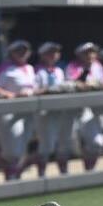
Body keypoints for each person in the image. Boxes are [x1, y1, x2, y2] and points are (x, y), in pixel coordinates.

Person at [0, 40, 37, 180]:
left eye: (25, 51)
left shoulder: (30, 68)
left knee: (21, 150)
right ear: (11, 53)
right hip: (8, 112)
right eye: (18, 51)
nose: (22, 54)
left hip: (27, 110)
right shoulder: (4, 69)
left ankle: (13, 179)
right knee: (12, 152)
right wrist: (15, 95)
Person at [33, 42, 75, 176]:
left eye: (55, 52)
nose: (53, 55)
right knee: (47, 145)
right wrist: (50, 90)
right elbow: (33, 91)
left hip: (61, 110)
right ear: (42, 55)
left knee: (64, 143)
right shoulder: (37, 71)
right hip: (44, 112)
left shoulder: (59, 71)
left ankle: (63, 173)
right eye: (49, 53)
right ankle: (41, 175)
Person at [67, 42, 103, 171]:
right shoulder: (73, 66)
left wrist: (97, 85)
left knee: (97, 143)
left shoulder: (98, 66)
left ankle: (90, 172)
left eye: (92, 52)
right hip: (71, 110)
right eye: (86, 52)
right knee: (71, 148)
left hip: (90, 109)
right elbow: (74, 83)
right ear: (79, 55)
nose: (90, 55)